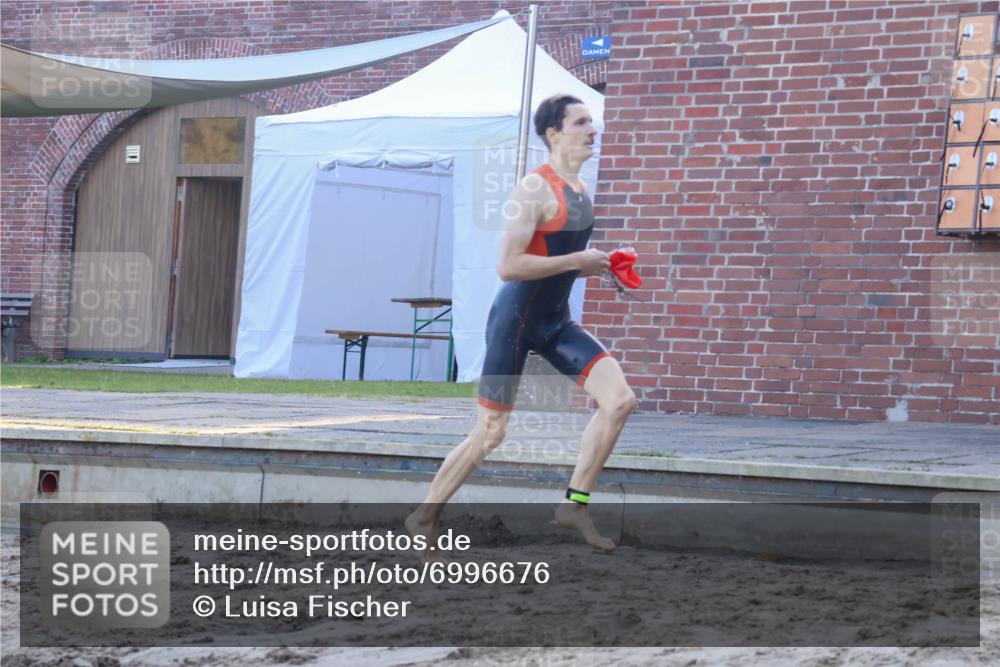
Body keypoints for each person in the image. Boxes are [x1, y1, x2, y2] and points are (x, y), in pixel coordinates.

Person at [406, 94, 636, 555]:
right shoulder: (533, 189)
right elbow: (509, 266)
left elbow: (558, 260)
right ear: (554, 133)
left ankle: (574, 505)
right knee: (491, 432)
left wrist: (598, 265)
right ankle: (424, 515)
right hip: (515, 320)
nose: (593, 130)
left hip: (554, 320)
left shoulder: (581, 190)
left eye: (593, 122)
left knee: (619, 401)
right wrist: (576, 259)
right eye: (581, 122)